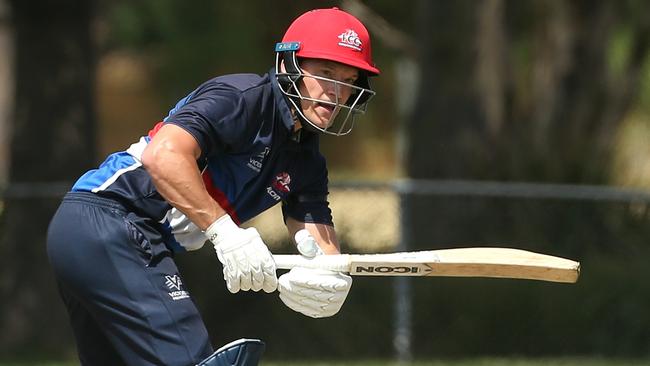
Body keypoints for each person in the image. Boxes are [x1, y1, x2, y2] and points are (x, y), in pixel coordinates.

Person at [46, 7, 380, 366]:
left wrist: (329, 279)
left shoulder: (307, 162)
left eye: (348, 80)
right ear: (288, 65)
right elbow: (164, 155)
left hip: (101, 234)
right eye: (326, 73)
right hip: (110, 220)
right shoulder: (243, 97)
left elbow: (322, 248)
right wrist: (226, 233)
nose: (335, 92)